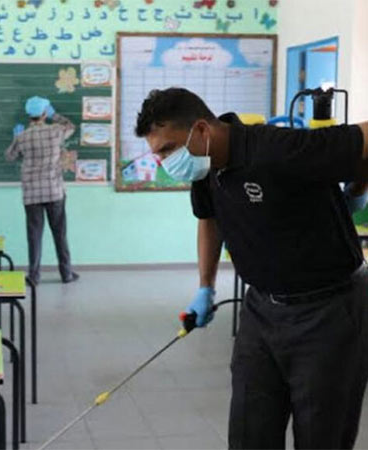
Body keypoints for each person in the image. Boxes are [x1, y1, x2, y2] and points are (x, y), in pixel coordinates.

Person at [134, 87, 368, 449]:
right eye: (158, 153)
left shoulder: (279, 148)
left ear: (201, 130)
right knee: (249, 431)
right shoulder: (206, 167)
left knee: (323, 434)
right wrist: (205, 287)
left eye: (167, 149)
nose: (165, 162)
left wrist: (358, 187)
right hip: (260, 312)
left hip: (329, 313)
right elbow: (208, 218)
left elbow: (362, 140)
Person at [5, 96, 79, 285]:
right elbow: (71, 127)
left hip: (32, 193)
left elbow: (10, 156)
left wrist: (15, 138)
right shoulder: (56, 131)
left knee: (34, 236)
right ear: (45, 113)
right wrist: (56, 116)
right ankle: (66, 273)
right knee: (60, 234)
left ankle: (34, 276)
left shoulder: (22, 136)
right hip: (54, 191)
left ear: (29, 115)